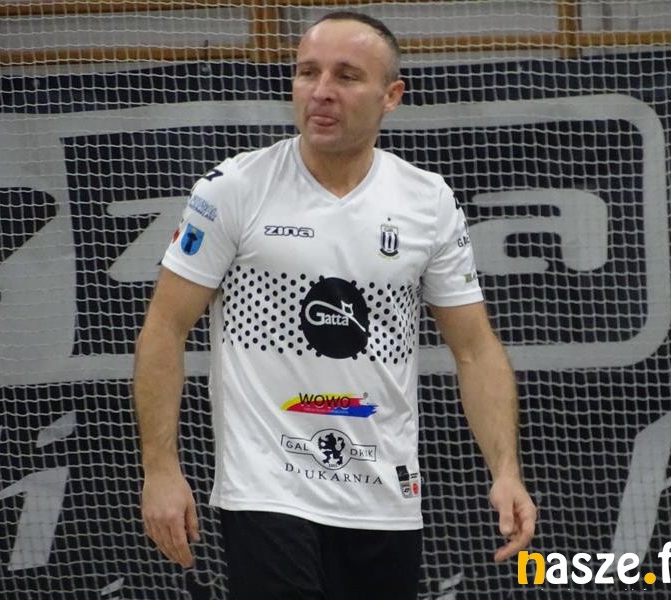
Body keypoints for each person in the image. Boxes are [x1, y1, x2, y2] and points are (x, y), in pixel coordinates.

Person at [133, 10, 536, 599]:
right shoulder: (234, 189)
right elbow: (165, 328)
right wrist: (161, 470)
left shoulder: (427, 202)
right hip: (268, 490)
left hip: (385, 497)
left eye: (346, 76)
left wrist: (506, 471)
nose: (320, 91)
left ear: (390, 96)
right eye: (307, 72)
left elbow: (475, 350)